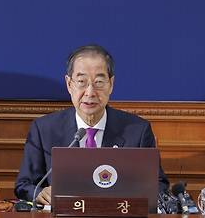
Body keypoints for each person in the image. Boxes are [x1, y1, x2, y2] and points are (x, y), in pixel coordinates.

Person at [14, 44, 169, 204]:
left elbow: (159, 184)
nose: (90, 92)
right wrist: (40, 192)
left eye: (99, 82)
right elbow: (24, 185)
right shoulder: (44, 129)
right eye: (81, 81)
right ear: (69, 84)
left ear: (111, 84)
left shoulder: (138, 131)